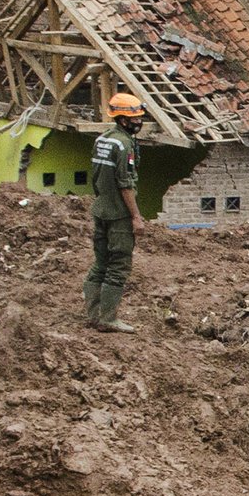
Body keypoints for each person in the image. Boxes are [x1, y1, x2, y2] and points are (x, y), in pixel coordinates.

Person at [84, 94, 147, 332]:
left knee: (100, 263)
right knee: (118, 265)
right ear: (122, 120)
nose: (139, 122)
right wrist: (136, 217)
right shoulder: (124, 145)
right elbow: (125, 183)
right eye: (135, 118)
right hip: (118, 214)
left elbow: (96, 176)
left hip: (101, 209)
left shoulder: (102, 140)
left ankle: (93, 315)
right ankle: (108, 319)